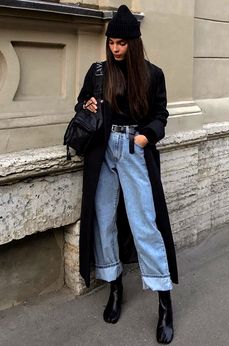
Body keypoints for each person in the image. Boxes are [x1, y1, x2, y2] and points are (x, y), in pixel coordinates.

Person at [75, 5, 178, 344]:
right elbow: (81, 105)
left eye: (121, 43)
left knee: (144, 222)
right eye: (112, 42)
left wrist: (148, 134)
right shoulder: (98, 72)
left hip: (135, 148)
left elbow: (161, 113)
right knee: (103, 219)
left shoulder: (152, 74)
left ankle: (164, 301)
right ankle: (115, 287)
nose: (115, 48)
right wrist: (88, 105)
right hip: (103, 149)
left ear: (134, 43)